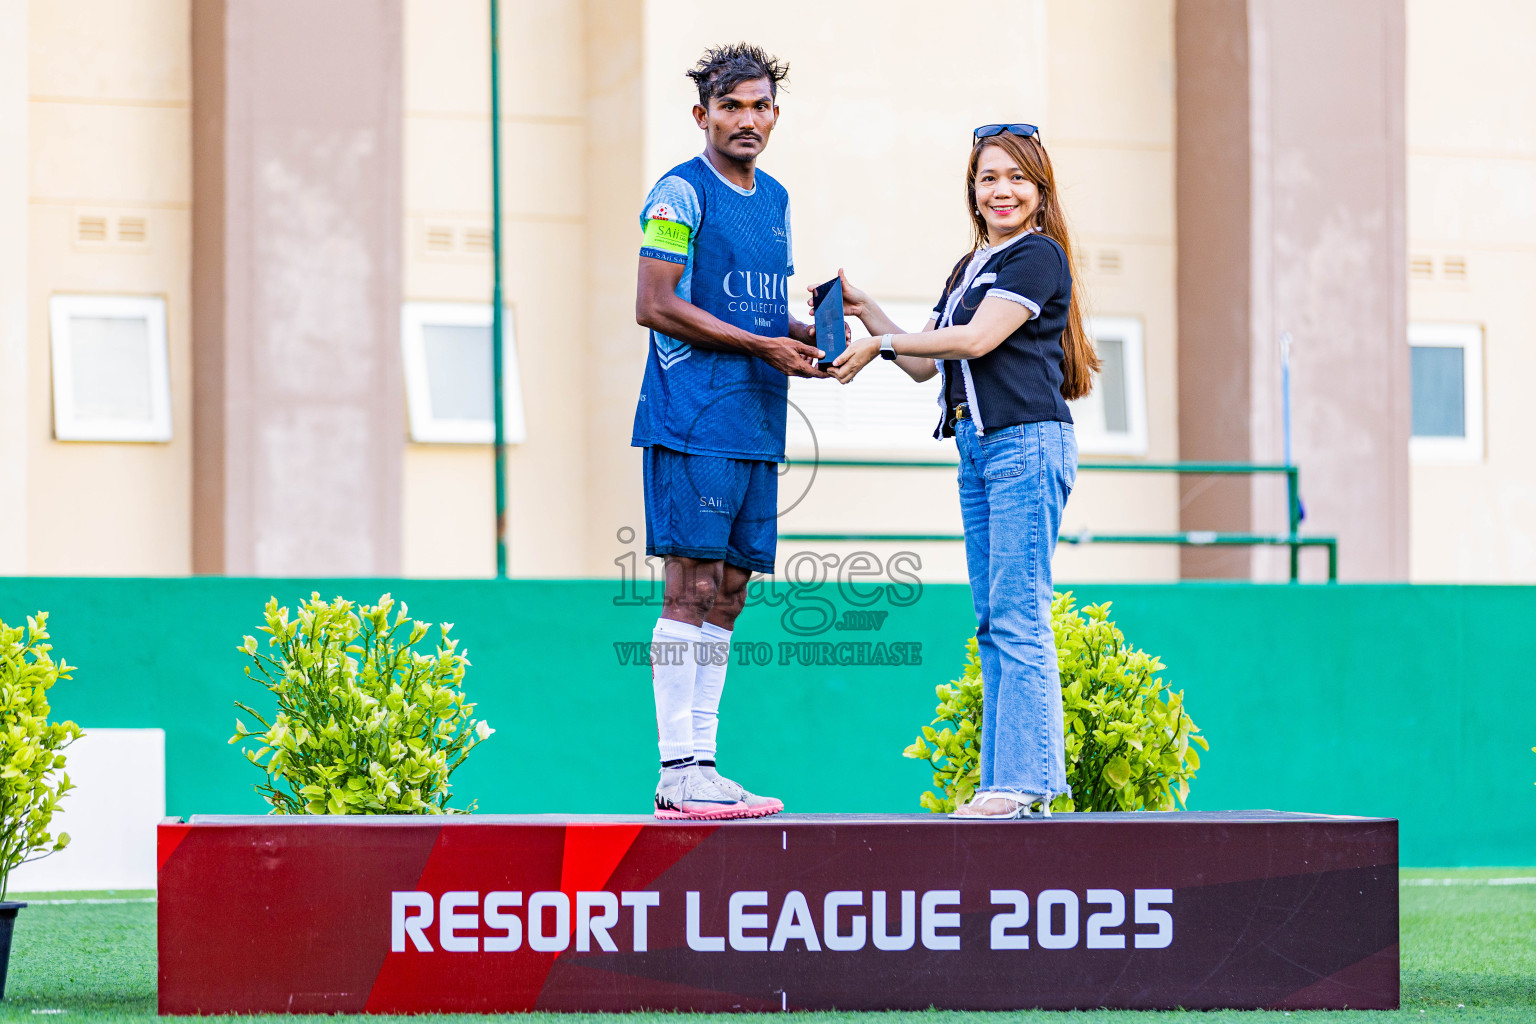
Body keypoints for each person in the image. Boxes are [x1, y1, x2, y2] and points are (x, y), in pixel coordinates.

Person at [825, 123, 1098, 819]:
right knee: (993, 619)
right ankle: (1011, 785)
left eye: (1016, 178)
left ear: (1040, 192)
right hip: (978, 449)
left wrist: (882, 338)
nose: (1000, 190)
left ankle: (1021, 787)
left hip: (1025, 444)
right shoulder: (969, 267)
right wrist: (868, 313)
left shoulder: (1038, 257)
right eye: (987, 179)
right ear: (972, 193)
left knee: (1018, 616)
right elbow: (926, 365)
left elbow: (975, 340)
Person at [632, 43, 826, 820]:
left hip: (757, 418)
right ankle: (677, 771)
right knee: (691, 589)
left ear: (776, 115)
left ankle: (703, 768)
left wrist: (804, 335)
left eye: (759, 106)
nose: (746, 119)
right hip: (692, 415)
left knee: (733, 594)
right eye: (731, 106)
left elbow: (747, 309)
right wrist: (762, 344)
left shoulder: (774, 197)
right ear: (701, 114)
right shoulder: (678, 194)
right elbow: (656, 303)